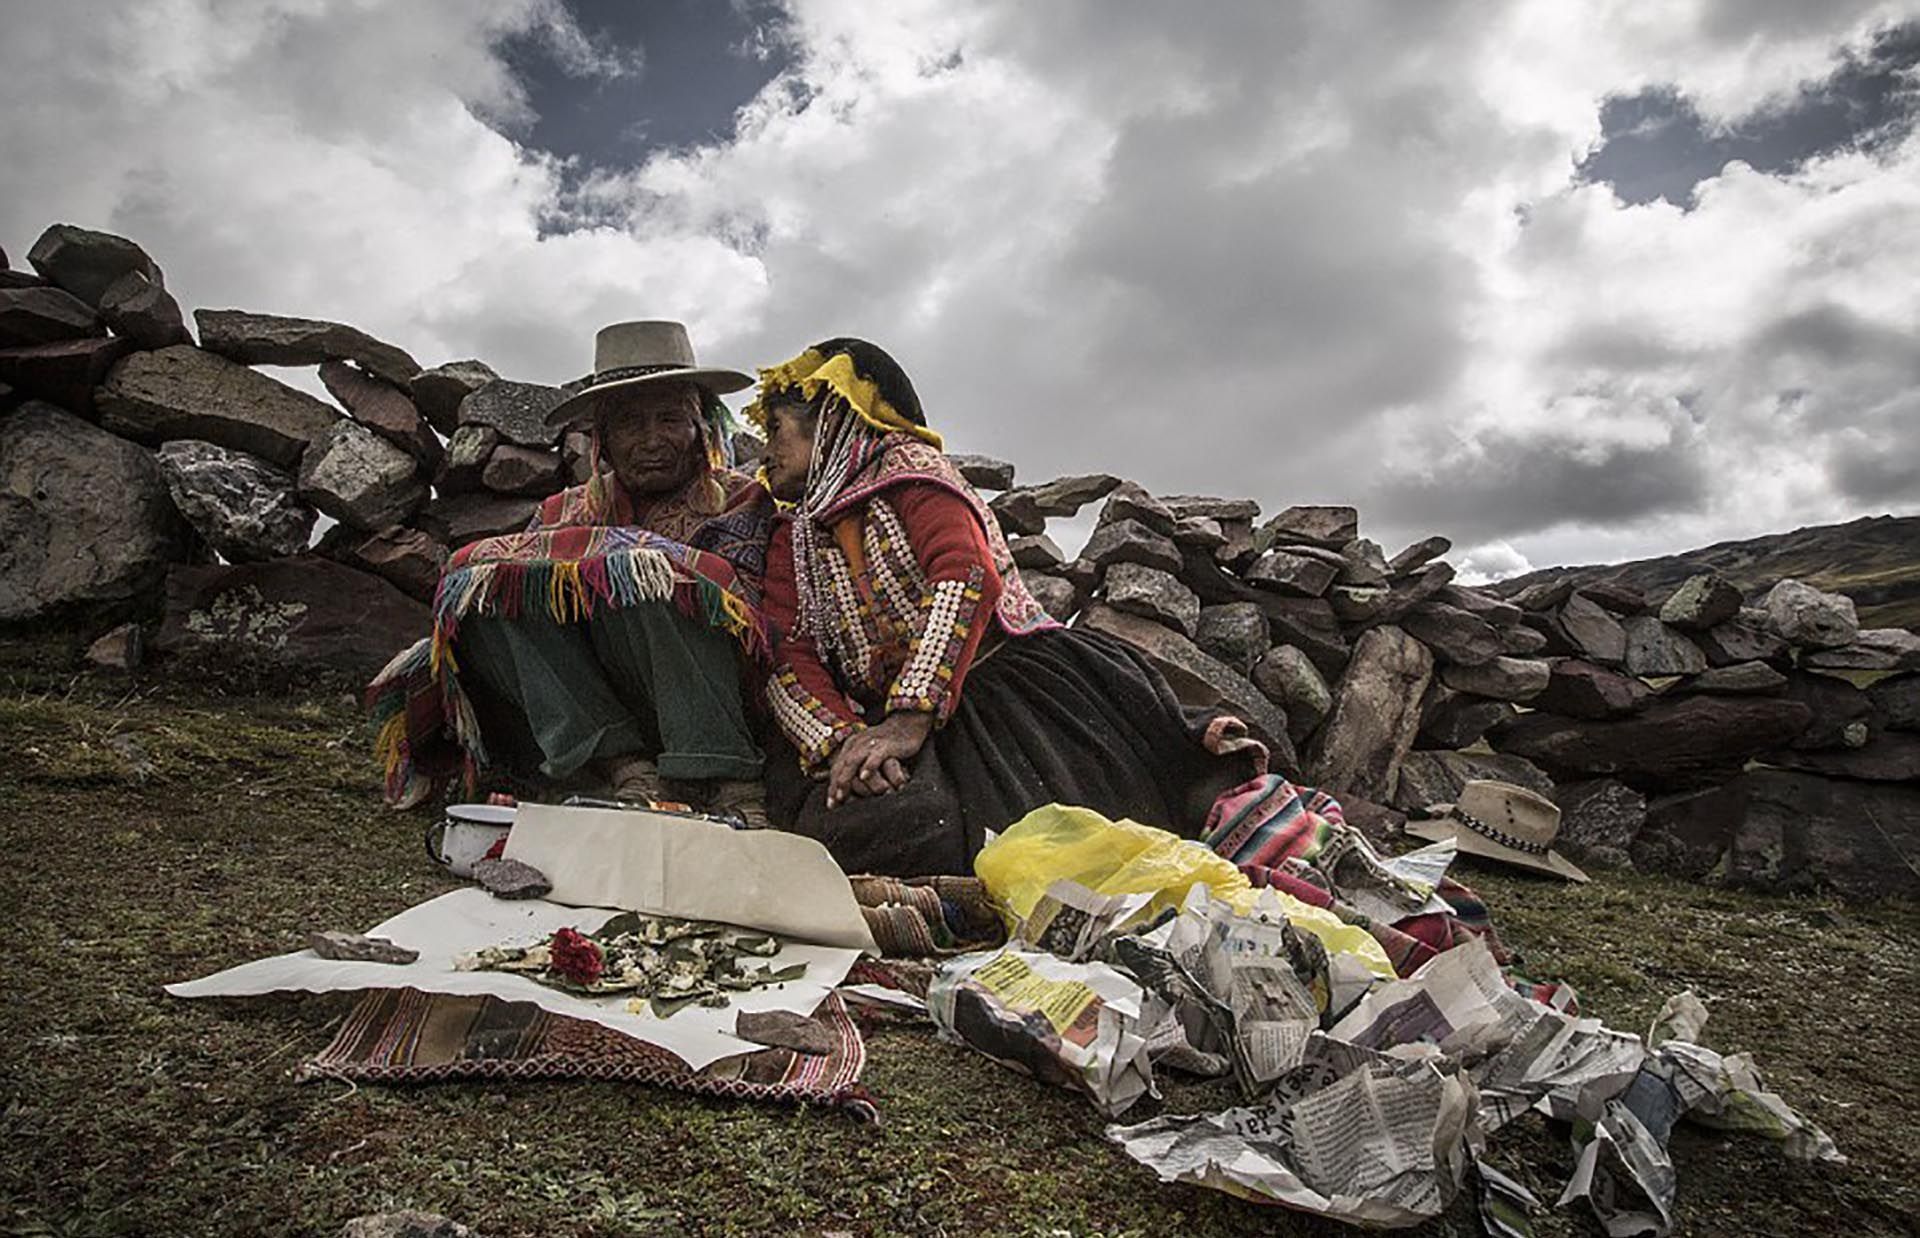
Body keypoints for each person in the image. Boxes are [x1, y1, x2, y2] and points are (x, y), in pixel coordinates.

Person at [747, 338, 1264, 875]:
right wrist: (843, 745)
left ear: (832, 420)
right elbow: (790, 648)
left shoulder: (912, 474)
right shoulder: (796, 534)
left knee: (1056, 828)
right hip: (881, 721)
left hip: (1004, 689)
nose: (765, 453)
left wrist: (909, 718)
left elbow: (964, 574)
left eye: (777, 431)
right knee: (861, 827)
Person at [368, 321, 775, 820]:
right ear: (602, 438)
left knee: (644, 580)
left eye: (670, 419)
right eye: (630, 424)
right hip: (597, 697)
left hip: (709, 704)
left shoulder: (741, 499)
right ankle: (622, 768)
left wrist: (637, 568)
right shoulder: (563, 513)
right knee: (492, 593)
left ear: (701, 430)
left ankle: (728, 783)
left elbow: (751, 630)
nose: (651, 440)